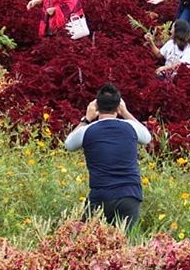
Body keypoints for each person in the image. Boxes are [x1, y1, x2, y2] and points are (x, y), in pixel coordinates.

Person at [64, 83, 151, 230]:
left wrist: (86, 118)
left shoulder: (87, 130)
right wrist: (126, 113)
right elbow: (147, 137)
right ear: (118, 107)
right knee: (126, 246)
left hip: (100, 196)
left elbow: (68, 144)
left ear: (96, 107)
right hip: (130, 195)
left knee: (89, 242)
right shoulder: (131, 127)